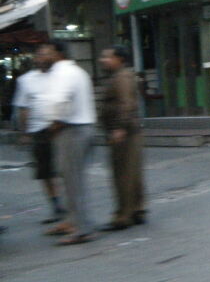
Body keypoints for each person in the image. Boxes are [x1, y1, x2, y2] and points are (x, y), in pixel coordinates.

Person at [42, 41, 97, 245]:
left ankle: (82, 229)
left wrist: (55, 125)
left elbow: (59, 101)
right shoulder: (77, 71)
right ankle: (72, 221)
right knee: (70, 179)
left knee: (73, 182)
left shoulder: (62, 72)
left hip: (71, 131)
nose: (41, 57)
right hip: (80, 128)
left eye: (46, 53)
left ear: (58, 54)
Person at [12, 51, 67, 224]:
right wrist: (25, 133)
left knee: (63, 169)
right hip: (39, 131)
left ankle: (69, 203)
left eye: (45, 56)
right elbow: (23, 108)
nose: (42, 59)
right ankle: (57, 205)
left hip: (59, 129)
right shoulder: (26, 80)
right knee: (45, 172)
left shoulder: (60, 76)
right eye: (39, 56)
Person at [98, 45, 146, 231]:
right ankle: (137, 210)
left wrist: (119, 127)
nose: (103, 60)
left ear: (120, 59)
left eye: (108, 57)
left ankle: (124, 216)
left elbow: (126, 103)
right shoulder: (120, 76)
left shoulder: (122, 77)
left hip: (124, 133)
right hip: (127, 131)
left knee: (123, 175)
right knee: (131, 173)